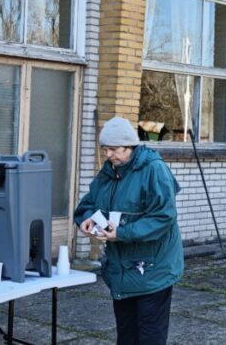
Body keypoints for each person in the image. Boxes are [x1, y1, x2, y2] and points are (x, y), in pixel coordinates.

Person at [75, 117, 183, 345]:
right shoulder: (109, 172)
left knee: (150, 336)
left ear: (129, 146)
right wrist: (87, 219)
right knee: (126, 334)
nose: (108, 155)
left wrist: (121, 233)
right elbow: (87, 205)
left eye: (114, 149)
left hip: (153, 270)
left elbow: (163, 217)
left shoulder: (154, 170)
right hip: (121, 270)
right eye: (105, 149)